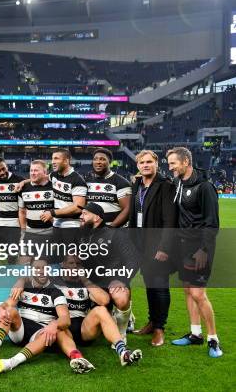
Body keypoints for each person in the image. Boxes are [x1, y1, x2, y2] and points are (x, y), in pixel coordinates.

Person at [0, 258, 94, 374]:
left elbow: (65, 318)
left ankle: (12, 362)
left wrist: (54, 324)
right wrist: (0, 309)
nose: (41, 271)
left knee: (49, 332)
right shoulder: (23, 287)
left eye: (44, 268)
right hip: (21, 329)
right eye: (37, 268)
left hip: (39, 333)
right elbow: (7, 304)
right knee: (10, 311)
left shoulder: (56, 292)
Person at [167, 147, 222, 358]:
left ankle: (213, 339)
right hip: (183, 245)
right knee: (188, 291)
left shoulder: (205, 187)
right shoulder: (179, 182)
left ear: (186, 162)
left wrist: (204, 250)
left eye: (173, 164)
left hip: (200, 248)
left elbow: (212, 223)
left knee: (199, 293)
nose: (170, 167)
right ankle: (195, 334)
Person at [56, 255, 142, 366]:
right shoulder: (55, 281)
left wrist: (84, 280)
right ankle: (76, 358)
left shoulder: (86, 283)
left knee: (101, 310)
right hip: (63, 327)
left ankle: (123, 352)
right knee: (58, 325)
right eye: (71, 263)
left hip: (84, 329)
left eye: (78, 264)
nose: (75, 267)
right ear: (63, 264)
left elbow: (104, 300)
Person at [130, 150, 178, 347]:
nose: (145, 165)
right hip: (141, 244)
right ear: (138, 165)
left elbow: (170, 220)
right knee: (150, 284)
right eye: (142, 162)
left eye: (149, 162)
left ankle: (159, 328)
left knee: (159, 286)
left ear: (157, 164)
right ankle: (151, 322)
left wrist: (164, 247)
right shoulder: (138, 184)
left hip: (158, 245)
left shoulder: (165, 186)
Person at [78, 202, 139, 342]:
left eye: (85, 214)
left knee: (121, 297)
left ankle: (122, 333)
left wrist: (121, 279)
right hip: (90, 282)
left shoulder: (115, 235)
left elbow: (133, 260)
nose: (81, 217)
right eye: (81, 214)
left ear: (97, 218)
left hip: (112, 281)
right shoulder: (79, 235)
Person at [42, 149, 87, 252]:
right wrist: (22, 183)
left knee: (70, 259)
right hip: (57, 223)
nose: (52, 161)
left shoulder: (77, 180)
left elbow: (78, 208)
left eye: (56, 158)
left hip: (72, 225)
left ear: (66, 161)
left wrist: (52, 212)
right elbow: (42, 178)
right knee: (55, 257)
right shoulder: (54, 175)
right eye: (52, 158)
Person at [0, 157, 26, 264]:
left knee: (12, 258)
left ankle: (11, 280)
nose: (2, 172)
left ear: (7, 166)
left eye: (4, 168)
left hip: (13, 225)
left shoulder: (19, 181)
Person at [84, 148, 132, 227]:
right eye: (95, 159)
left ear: (109, 162)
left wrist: (111, 228)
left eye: (102, 159)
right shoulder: (86, 182)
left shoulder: (121, 182)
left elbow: (127, 210)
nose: (98, 162)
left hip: (113, 232)